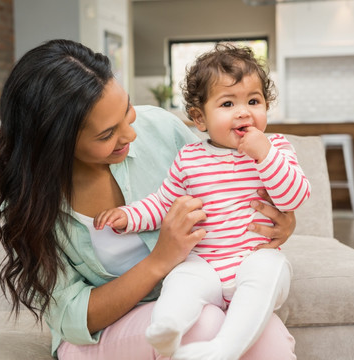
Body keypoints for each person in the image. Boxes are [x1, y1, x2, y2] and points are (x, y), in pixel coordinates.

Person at [0, 39, 298, 360]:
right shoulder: (30, 204)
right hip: (101, 335)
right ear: (56, 145)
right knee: (206, 324)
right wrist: (160, 260)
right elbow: (72, 317)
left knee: (268, 335)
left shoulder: (159, 128)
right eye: (107, 134)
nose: (131, 134)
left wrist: (283, 219)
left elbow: (231, 183)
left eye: (127, 111)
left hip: (191, 299)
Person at [94, 44, 310, 360]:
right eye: (227, 103)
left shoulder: (275, 148)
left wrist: (264, 154)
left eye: (254, 101)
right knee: (181, 280)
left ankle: (223, 349)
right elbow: (163, 203)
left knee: (271, 270)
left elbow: (295, 195)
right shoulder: (190, 158)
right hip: (205, 262)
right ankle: (167, 330)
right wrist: (128, 216)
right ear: (200, 119)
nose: (243, 111)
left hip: (253, 256)